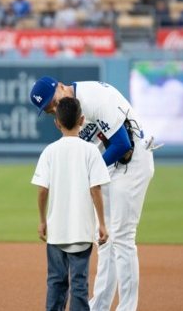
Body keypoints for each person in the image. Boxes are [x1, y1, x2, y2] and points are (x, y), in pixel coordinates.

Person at [30, 76, 159, 311]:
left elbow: (122, 145)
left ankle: (127, 308)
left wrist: (89, 173)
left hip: (133, 161)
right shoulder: (71, 110)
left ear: (60, 86)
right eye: (50, 110)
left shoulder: (94, 98)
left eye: (54, 102)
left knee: (122, 236)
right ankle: (99, 305)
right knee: (105, 239)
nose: (55, 110)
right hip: (112, 165)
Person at [32, 97, 110, 311]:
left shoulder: (49, 151)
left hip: (56, 232)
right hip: (82, 231)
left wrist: (42, 221)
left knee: (56, 283)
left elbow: (42, 190)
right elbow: (96, 190)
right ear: (82, 120)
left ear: (57, 122)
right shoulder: (91, 151)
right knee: (79, 285)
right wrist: (102, 224)